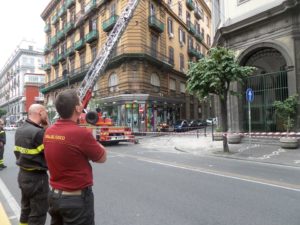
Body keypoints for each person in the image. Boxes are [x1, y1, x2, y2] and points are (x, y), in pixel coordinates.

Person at [44, 89, 107, 225]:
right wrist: (93, 141)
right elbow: (102, 158)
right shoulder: (80, 134)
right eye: (80, 103)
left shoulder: (48, 132)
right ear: (78, 108)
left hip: (54, 197)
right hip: (76, 202)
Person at [14, 104, 50, 225]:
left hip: (23, 175)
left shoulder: (20, 130)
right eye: (45, 112)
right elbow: (50, 153)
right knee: (38, 213)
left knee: (26, 209)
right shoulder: (39, 133)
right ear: (41, 113)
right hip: (37, 179)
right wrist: (47, 125)